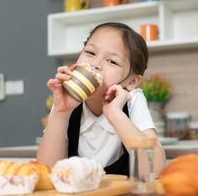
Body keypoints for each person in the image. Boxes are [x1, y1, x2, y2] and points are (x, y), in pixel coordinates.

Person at [37, 22, 166, 177]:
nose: (95, 64)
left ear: (131, 82)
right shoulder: (66, 98)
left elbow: (155, 168)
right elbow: (47, 170)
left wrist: (115, 113)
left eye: (112, 61)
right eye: (90, 53)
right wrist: (60, 112)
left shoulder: (133, 100)